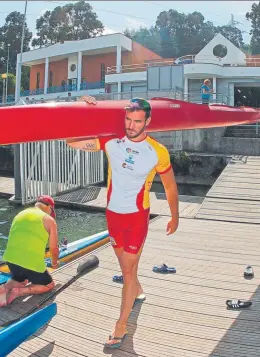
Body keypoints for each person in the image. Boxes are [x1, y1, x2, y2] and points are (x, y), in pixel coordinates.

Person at [66, 96, 179, 348]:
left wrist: (175, 215)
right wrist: (86, 111)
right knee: (126, 267)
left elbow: (170, 186)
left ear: (147, 121)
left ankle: (121, 325)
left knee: (127, 271)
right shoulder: (111, 142)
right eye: (128, 119)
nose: (131, 125)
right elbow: (70, 141)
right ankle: (136, 289)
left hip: (137, 217)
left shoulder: (157, 152)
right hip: (113, 215)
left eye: (137, 121)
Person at [0, 195, 59, 307]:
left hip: (11, 260)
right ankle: (20, 292)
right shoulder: (49, 220)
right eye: (51, 211)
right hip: (31, 263)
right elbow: (54, 248)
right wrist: (54, 263)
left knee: (21, 279)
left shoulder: (19, 214)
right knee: (49, 285)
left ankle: (6, 287)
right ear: (49, 207)